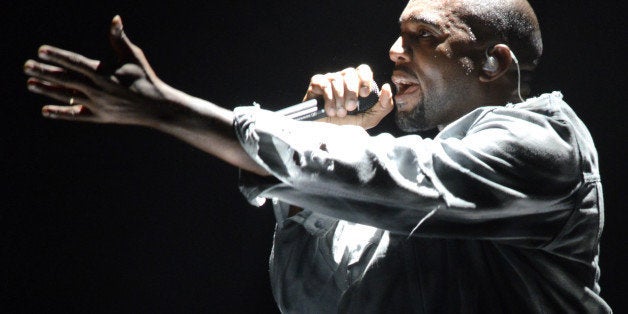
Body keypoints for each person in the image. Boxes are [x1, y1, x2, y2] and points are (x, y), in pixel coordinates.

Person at [24, 0, 611, 312]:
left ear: (493, 63)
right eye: (395, 34)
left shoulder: (545, 145)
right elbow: (316, 300)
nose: (392, 51)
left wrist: (169, 109)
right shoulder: (432, 191)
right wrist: (330, 128)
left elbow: (393, 183)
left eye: (419, 36)